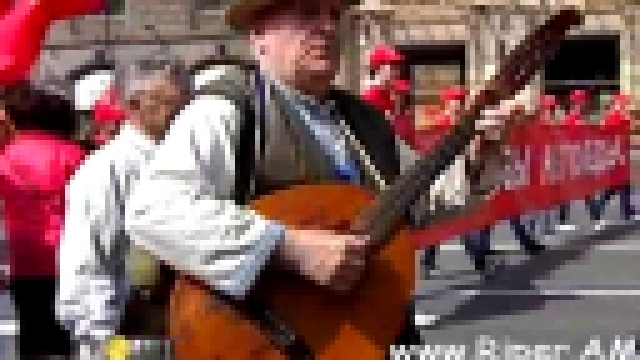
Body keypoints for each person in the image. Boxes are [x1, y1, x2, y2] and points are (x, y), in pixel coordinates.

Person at [124, 0, 521, 347]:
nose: (328, 25)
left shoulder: (362, 121)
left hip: (368, 330)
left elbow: (421, 203)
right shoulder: (227, 111)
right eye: (307, 11)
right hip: (267, 337)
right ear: (259, 33)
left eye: (334, 13)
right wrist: (288, 248)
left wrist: (477, 158)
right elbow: (155, 211)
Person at [55, 54, 190, 358]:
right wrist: (115, 351)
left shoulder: (186, 159)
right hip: (132, 337)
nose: (183, 112)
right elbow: (85, 270)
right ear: (133, 105)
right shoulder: (106, 171)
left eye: (186, 101)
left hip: (184, 329)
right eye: (171, 102)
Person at [0, 82, 86, 359]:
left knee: (33, 336)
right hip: (74, 258)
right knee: (75, 337)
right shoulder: (76, 154)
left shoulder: (6, 157)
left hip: (28, 260)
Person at [587, 92, 635, 224]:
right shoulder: (616, 117)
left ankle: (626, 211)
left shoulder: (613, 117)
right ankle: (600, 208)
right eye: (625, 103)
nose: (627, 106)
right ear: (618, 103)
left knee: (623, 185)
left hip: (619, 155)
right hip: (617, 156)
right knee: (616, 186)